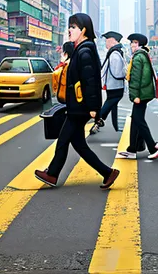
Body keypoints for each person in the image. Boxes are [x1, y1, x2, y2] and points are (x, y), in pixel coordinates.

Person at [35, 13, 120, 189]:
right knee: (79, 145)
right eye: (69, 27)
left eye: (73, 27)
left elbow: (90, 82)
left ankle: (52, 174)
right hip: (77, 106)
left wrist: (93, 108)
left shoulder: (85, 51)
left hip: (80, 107)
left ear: (83, 30)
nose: (69, 30)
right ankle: (107, 172)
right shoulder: (81, 49)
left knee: (63, 140)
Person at [117, 33, 158, 160]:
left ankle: (153, 147)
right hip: (144, 93)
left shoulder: (139, 57)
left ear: (138, 44)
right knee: (135, 119)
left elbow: (136, 78)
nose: (131, 45)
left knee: (139, 120)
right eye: (131, 42)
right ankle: (133, 148)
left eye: (133, 42)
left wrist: (136, 95)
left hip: (141, 94)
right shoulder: (142, 55)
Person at [92, 31, 126, 134]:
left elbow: (117, 72)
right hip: (114, 85)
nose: (106, 43)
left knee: (111, 102)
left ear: (112, 40)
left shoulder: (114, 54)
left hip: (114, 84)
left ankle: (100, 120)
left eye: (107, 40)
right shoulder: (115, 52)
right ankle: (99, 120)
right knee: (111, 102)